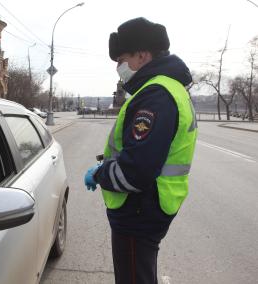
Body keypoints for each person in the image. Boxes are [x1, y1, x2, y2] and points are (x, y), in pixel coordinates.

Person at [84, 17, 198, 284]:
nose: (118, 68)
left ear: (142, 55)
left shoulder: (156, 95)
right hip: (149, 207)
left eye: (121, 59)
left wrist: (101, 173)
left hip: (139, 210)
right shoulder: (165, 88)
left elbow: (136, 171)